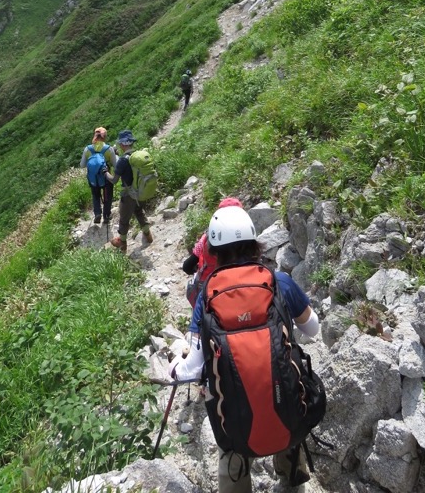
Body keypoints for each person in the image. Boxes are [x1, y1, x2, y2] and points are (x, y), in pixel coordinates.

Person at [169, 205, 320, 493]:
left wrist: (175, 368)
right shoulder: (279, 282)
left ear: (213, 251)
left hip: (235, 421)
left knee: (225, 419)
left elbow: (194, 367)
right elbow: (313, 329)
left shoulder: (206, 295)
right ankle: (292, 478)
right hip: (285, 403)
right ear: (254, 243)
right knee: (290, 384)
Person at [182, 197, 243, 307]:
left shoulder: (207, 238)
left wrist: (198, 269)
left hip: (209, 290)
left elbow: (187, 266)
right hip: (240, 291)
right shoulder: (247, 240)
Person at [106, 129, 153, 253]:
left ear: (122, 144)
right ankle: (148, 236)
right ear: (131, 143)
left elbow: (114, 180)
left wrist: (105, 173)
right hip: (141, 192)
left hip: (128, 195)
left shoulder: (123, 160)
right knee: (139, 212)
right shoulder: (136, 156)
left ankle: (122, 244)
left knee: (124, 219)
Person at [80, 127, 117, 226]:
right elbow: (115, 164)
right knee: (107, 196)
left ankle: (97, 213)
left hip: (93, 177)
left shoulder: (88, 149)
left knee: (95, 194)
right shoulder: (109, 149)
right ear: (105, 137)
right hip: (106, 176)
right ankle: (106, 215)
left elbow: (82, 165)